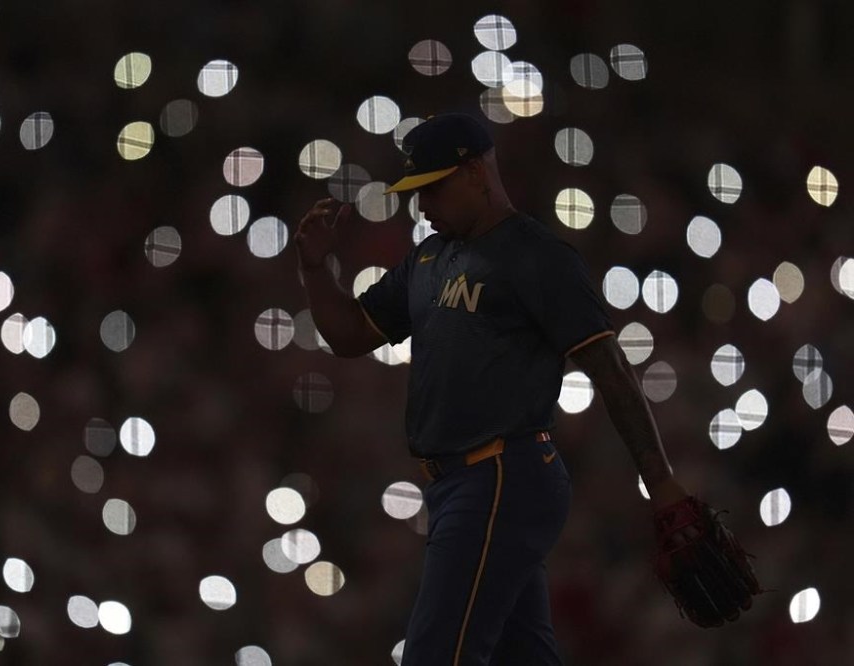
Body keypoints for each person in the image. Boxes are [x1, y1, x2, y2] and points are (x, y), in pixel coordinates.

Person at [294, 113, 692, 665]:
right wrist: (315, 270)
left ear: (477, 172)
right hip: (457, 484)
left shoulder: (537, 255)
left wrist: (663, 484)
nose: (423, 205)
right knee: (522, 656)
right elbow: (349, 335)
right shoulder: (428, 259)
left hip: (504, 472)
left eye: (432, 188)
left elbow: (611, 370)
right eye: (416, 191)